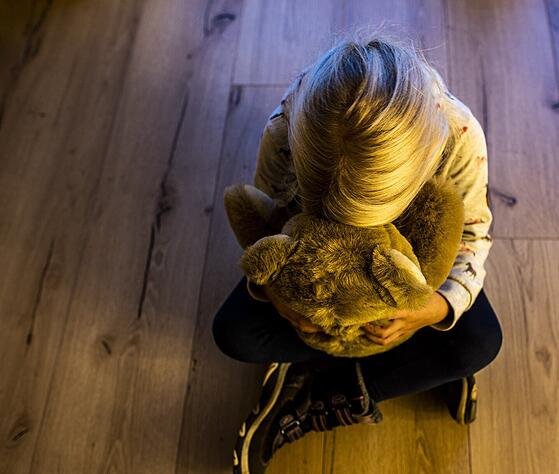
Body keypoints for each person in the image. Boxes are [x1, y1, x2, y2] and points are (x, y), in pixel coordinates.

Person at [212, 30, 503, 474]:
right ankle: (402, 374)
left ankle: (315, 393)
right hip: (316, 270)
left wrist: (430, 309)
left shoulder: (459, 137)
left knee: (481, 343)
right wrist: (282, 301)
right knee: (233, 333)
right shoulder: (285, 126)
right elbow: (268, 221)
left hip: (409, 278)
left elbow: (472, 239)